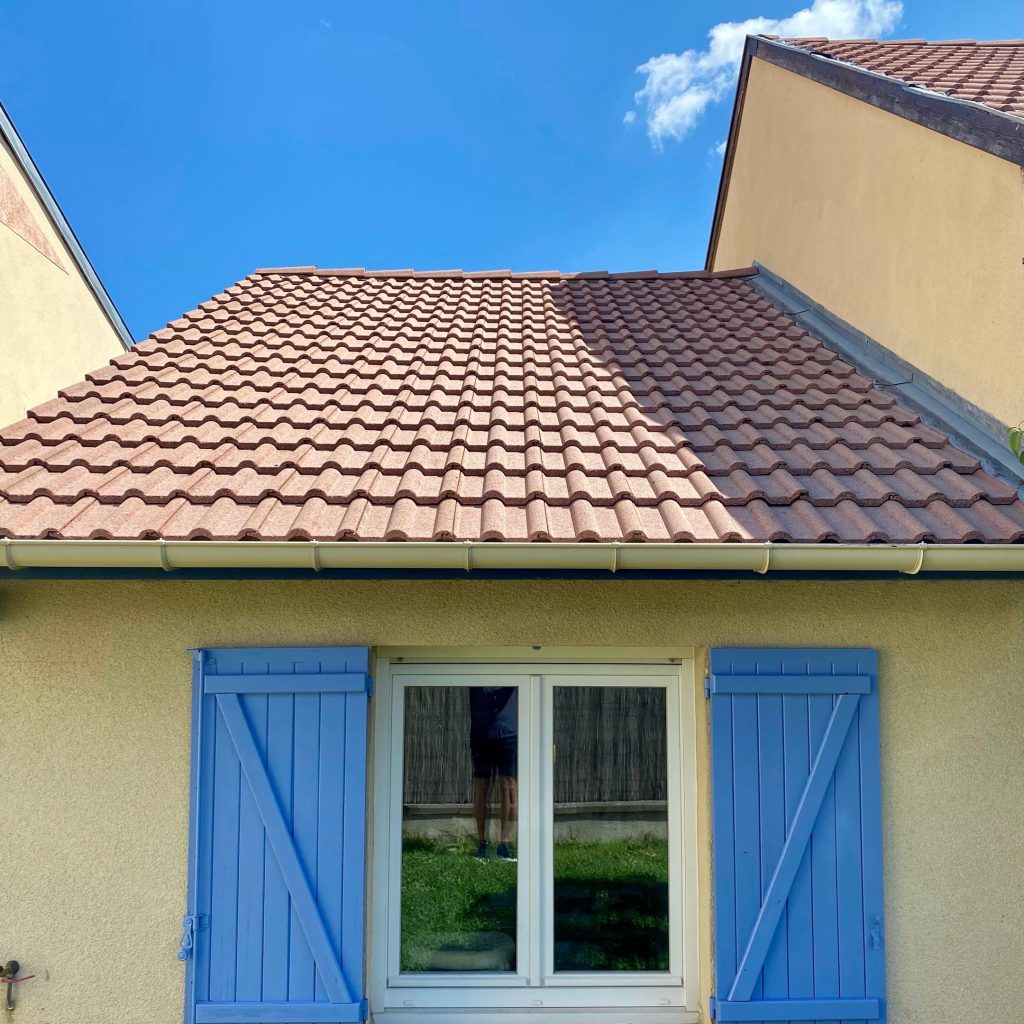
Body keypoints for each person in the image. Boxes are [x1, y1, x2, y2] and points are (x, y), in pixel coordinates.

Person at [469, 686, 517, 861]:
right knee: (481, 786)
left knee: (509, 786)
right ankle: (482, 843)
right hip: (481, 730)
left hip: (509, 730)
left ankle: (504, 843)